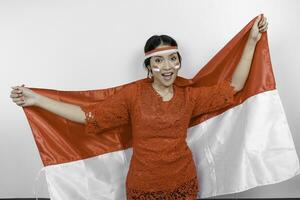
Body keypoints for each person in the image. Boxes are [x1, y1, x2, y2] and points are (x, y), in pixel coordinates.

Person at [10, 15, 268, 200]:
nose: (167, 66)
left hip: (184, 183)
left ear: (179, 62)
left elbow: (232, 88)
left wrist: (252, 41)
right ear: (148, 66)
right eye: (158, 60)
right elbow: (88, 116)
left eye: (172, 59)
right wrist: (37, 100)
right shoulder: (132, 95)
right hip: (143, 187)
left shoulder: (189, 96)